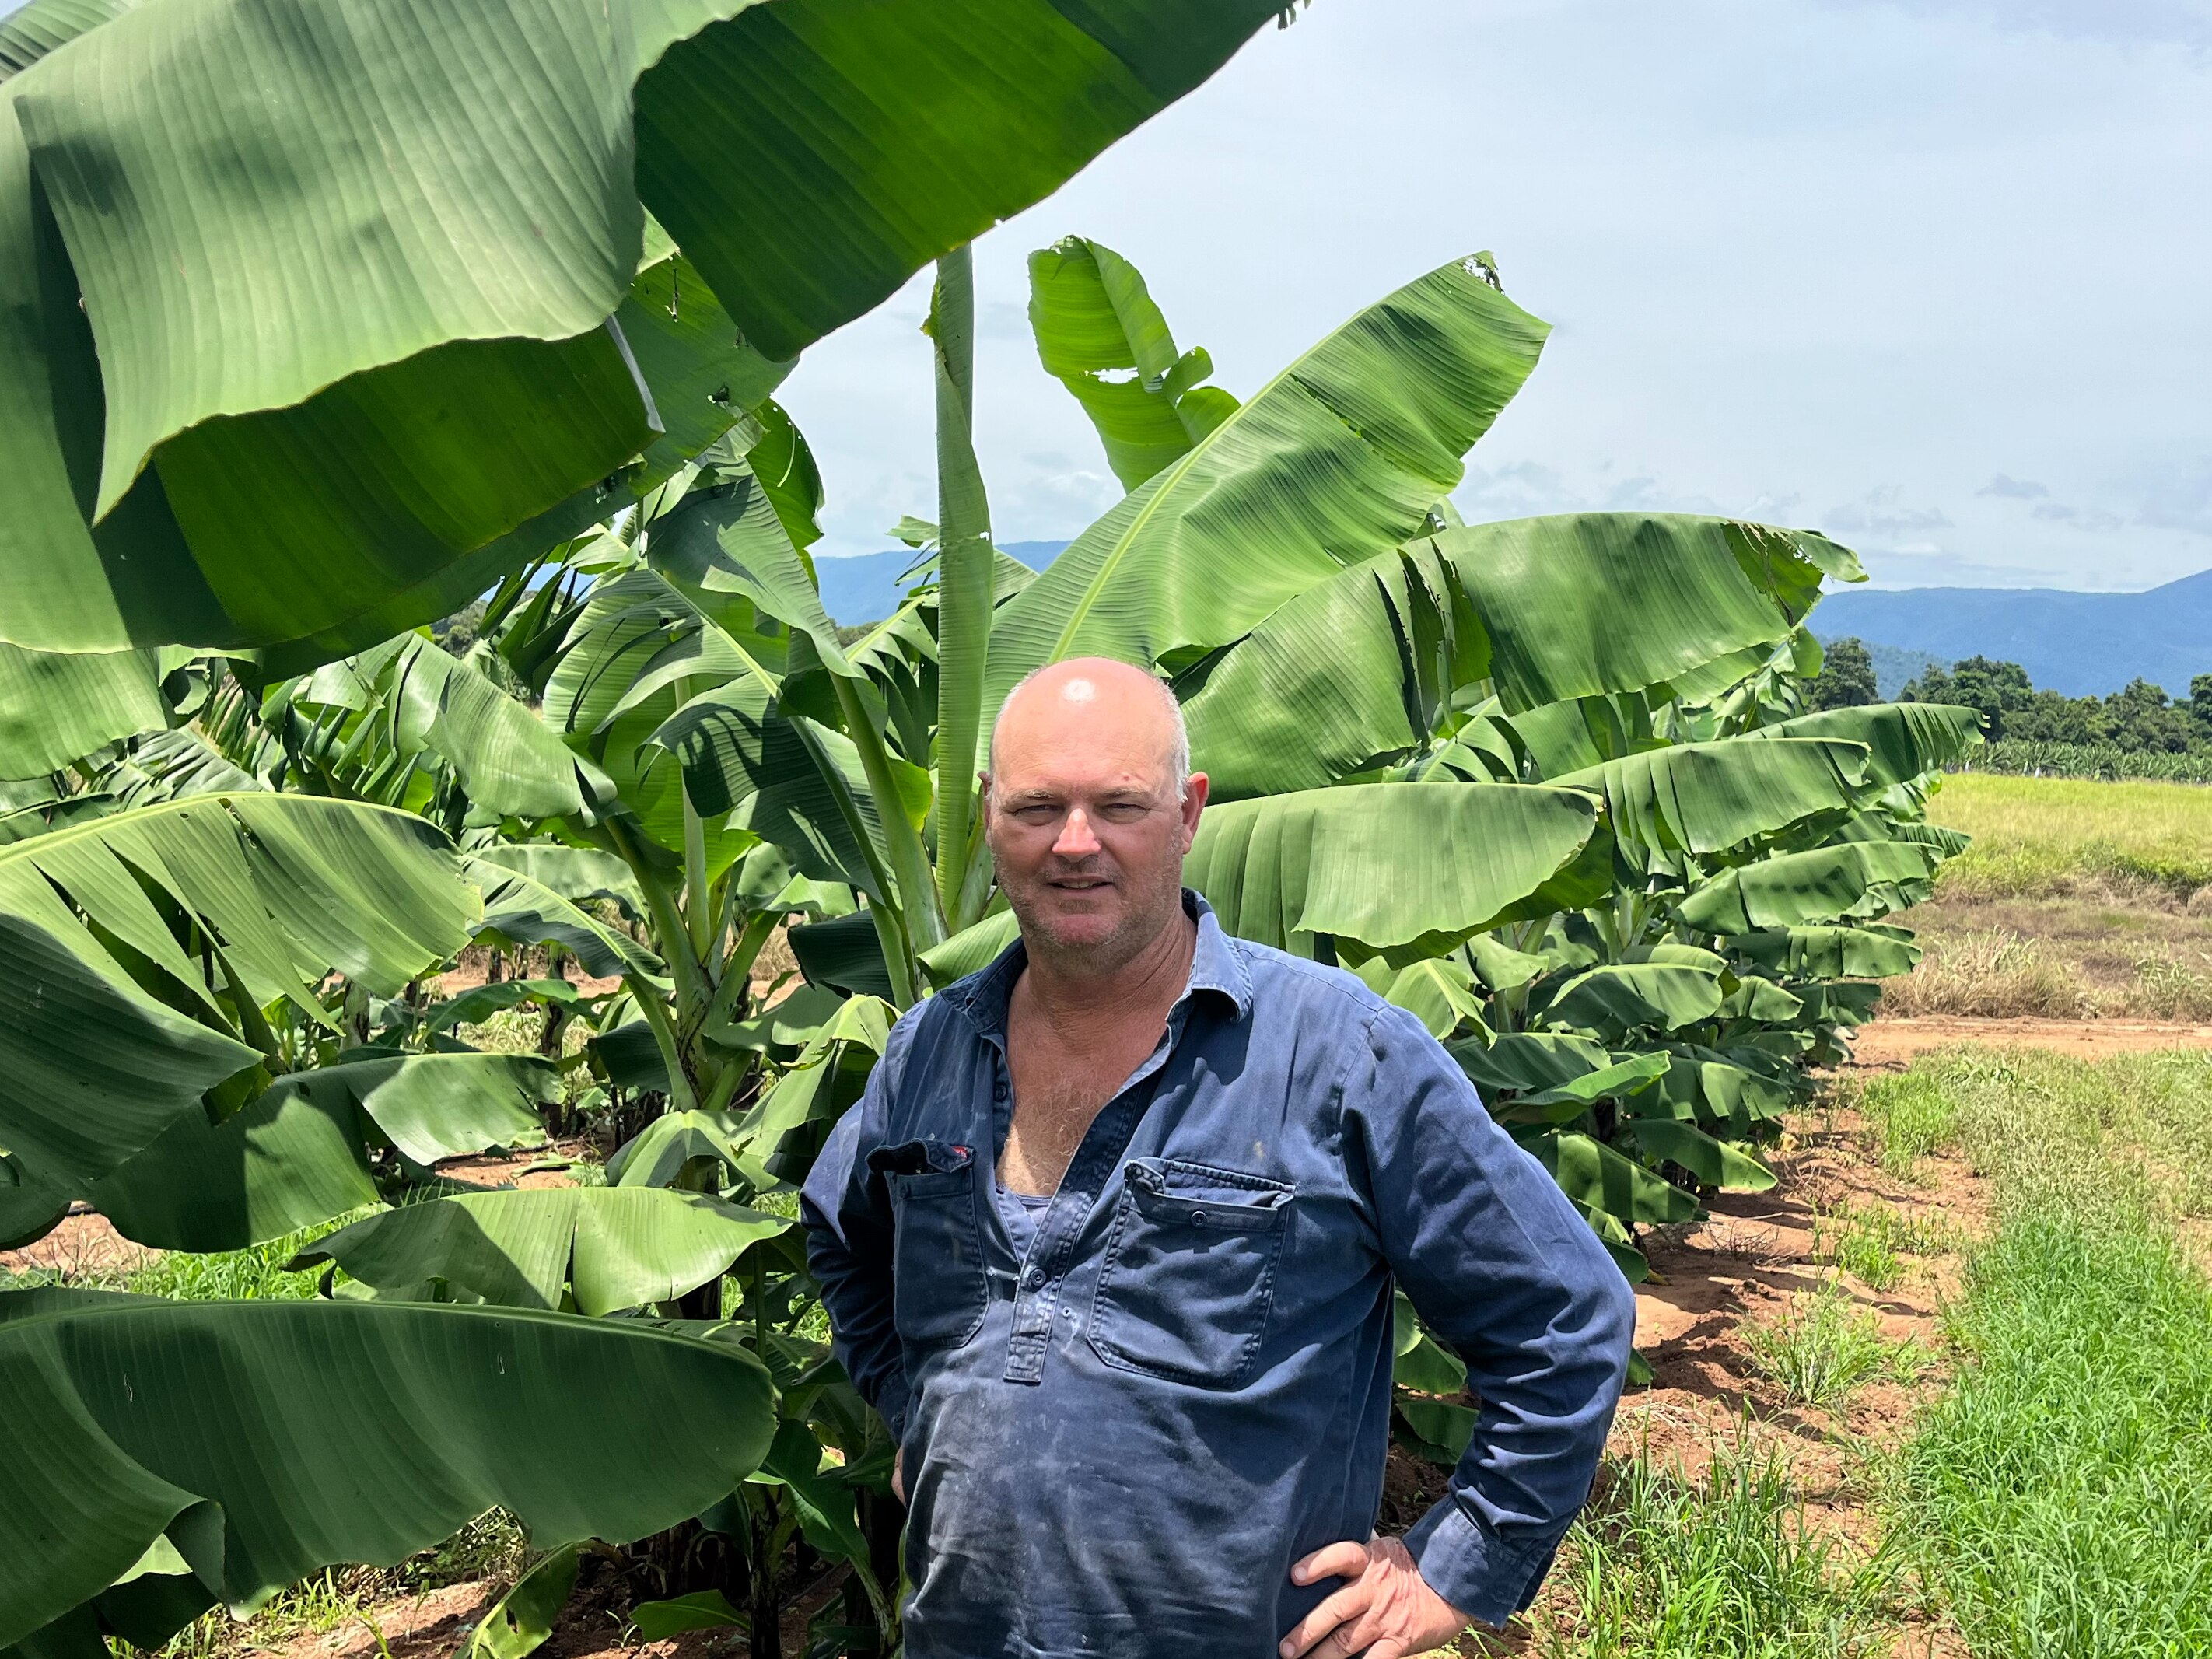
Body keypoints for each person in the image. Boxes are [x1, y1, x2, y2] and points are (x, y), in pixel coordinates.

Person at [801, 657, 1636, 1658]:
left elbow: (1566, 1314)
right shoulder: (927, 1049)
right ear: (989, 816)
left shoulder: (1340, 1057)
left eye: (1120, 805)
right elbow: (842, 1236)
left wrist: (1451, 1566)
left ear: (1189, 812)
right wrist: (913, 1414)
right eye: (1035, 808)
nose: (1075, 843)